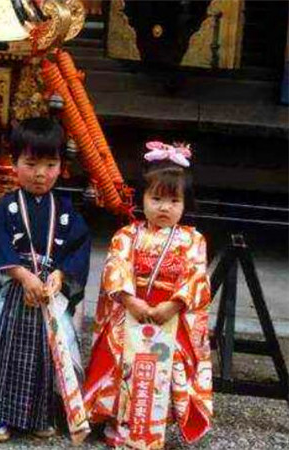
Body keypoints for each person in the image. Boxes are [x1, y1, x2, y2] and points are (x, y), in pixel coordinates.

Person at [0, 118, 91, 442]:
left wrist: (59, 276)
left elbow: (78, 248)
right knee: (8, 356)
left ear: (61, 166)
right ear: (14, 164)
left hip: (48, 295)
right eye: (31, 164)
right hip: (17, 294)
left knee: (45, 360)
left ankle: (39, 415)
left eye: (50, 164)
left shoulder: (66, 210)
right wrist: (22, 275)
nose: (40, 173)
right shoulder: (5, 208)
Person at [83, 142, 212, 448]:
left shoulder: (193, 239)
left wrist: (173, 304)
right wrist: (130, 300)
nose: (164, 207)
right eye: (156, 198)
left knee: (170, 365)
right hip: (132, 309)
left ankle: (155, 425)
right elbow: (116, 267)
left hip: (171, 313)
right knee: (117, 357)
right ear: (142, 198)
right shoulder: (127, 235)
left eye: (173, 200)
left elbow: (196, 276)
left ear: (184, 204)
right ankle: (118, 422)